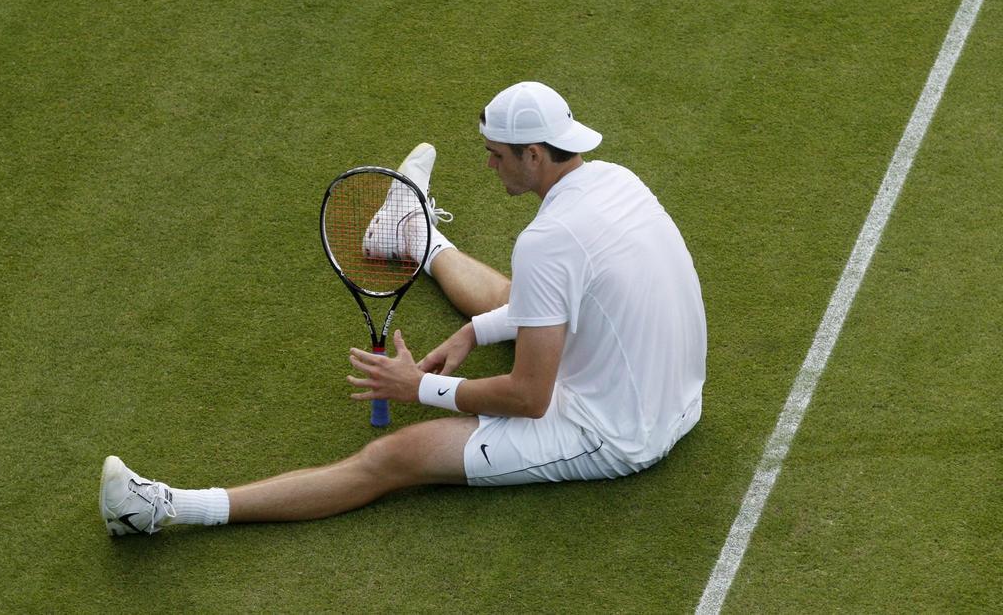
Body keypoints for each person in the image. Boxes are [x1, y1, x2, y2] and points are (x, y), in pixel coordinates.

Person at [99, 81, 706, 535]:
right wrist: (474, 330)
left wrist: (420, 388)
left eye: (497, 155)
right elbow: (543, 303)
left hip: (625, 432)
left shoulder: (547, 243)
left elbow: (530, 399)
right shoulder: (618, 181)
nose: (488, 165)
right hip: (678, 397)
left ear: (534, 156)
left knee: (396, 458)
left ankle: (164, 509)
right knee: (508, 302)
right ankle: (411, 237)